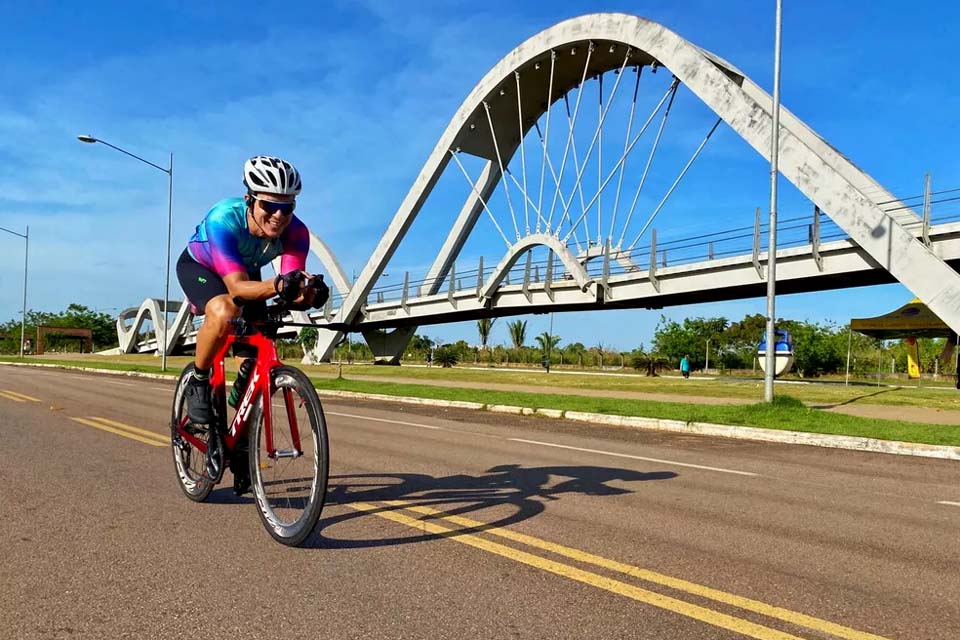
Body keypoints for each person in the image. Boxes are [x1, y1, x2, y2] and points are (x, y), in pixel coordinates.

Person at [175, 156, 329, 485]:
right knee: (225, 310)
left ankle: (242, 437)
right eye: (269, 206)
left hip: (248, 273)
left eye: (287, 208)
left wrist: (308, 293)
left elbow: (288, 286)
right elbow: (236, 288)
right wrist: (277, 286)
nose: (278, 216)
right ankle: (199, 381)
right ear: (250, 199)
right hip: (204, 270)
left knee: (259, 344)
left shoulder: (297, 232)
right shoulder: (224, 219)